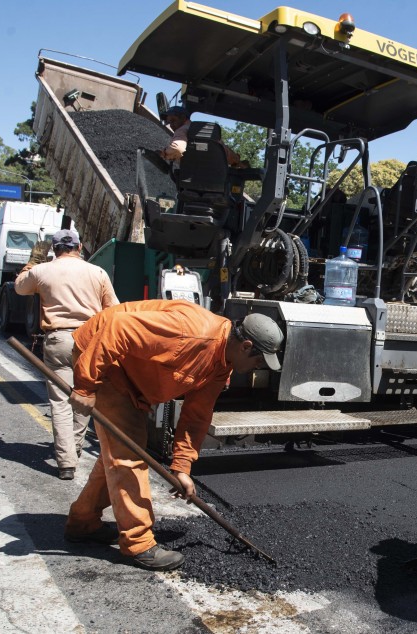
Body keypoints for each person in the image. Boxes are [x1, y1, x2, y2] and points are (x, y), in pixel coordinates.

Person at [63, 300, 283, 571]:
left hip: (132, 378)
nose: (258, 367)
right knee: (128, 455)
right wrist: (85, 385)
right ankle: (138, 543)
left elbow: (196, 415)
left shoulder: (221, 364)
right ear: (246, 346)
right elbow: (118, 328)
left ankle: (83, 522)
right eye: (259, 361)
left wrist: (182, 466)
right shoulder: (192, 332)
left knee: (118, 451)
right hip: (105, 359)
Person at [14, 229, 119, 481]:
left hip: (58, 340)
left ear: (54, 248)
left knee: (60, 402)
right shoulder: (97, 272)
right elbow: (113, 309)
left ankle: (66, 462)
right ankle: (76, 446)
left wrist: (31, 263)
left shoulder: (42, 271)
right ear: (79, 247)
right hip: (90, 340)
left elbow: (20, 288)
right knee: (84, 395)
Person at [159, 105, 248, 168]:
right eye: (169, 122)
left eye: (173, 120)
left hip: (189, 182)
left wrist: (163, 154)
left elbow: (177, 149)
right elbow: (226, 152)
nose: (171, 125)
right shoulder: (210, 133)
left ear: (183, 118)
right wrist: (239, 163)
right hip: (216, 184)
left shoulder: (182, 130)